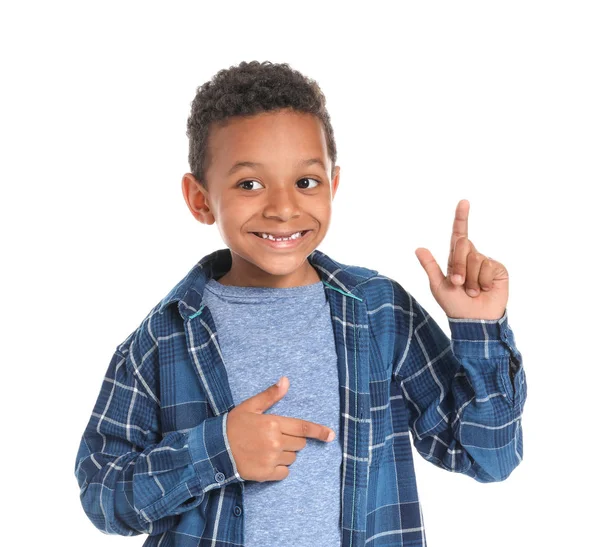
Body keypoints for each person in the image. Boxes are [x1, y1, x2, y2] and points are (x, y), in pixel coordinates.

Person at [74, 60, 527, 547]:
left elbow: (489, 457)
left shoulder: (380, 314)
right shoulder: (163, 338)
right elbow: (104, 495)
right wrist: (217, 451)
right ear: (200, 199)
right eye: (249, 184)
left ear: (333, 183)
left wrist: (479, 329)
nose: (284, 207)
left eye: (306, 182)